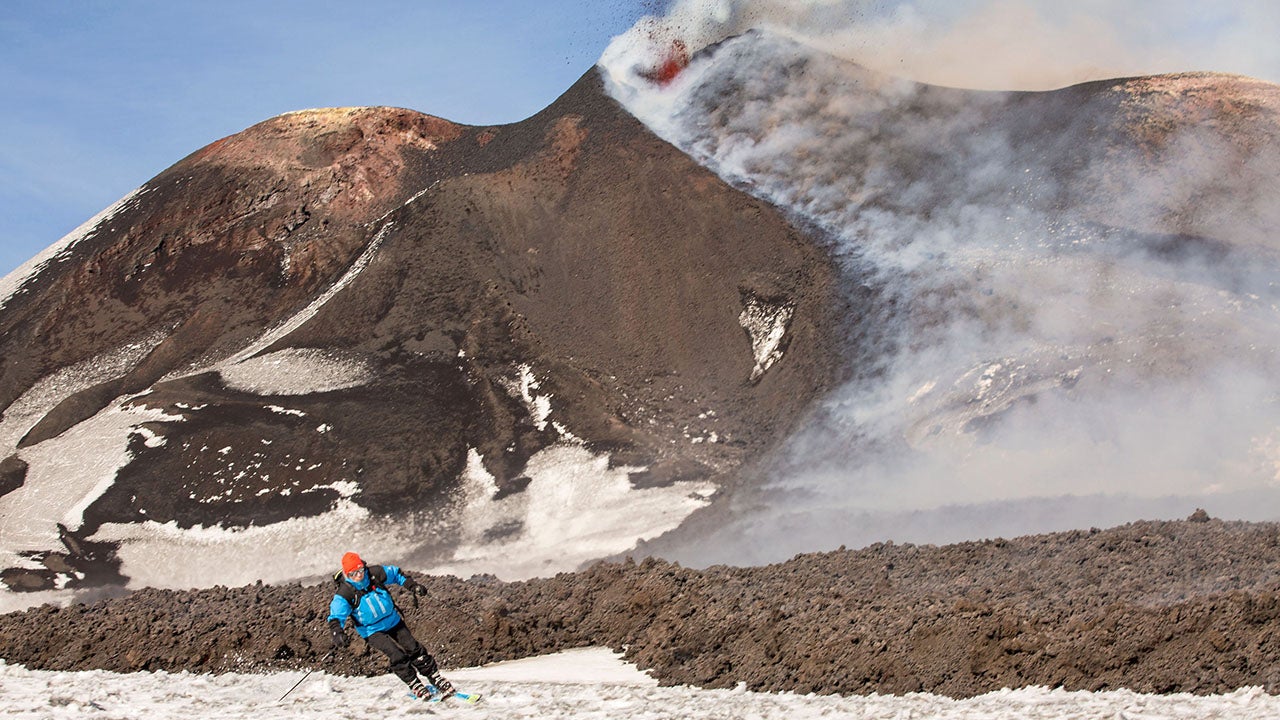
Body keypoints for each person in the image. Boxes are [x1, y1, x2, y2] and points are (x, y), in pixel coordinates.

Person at [327, 551, 456, 700]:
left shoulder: (374, 574)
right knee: (396, 654)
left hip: (393, 620)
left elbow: (396, 574)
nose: (359, 576)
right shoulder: (345, 593)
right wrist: (337, 632)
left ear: (363, 567)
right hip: (372, 631)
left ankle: (436, 678)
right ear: (347, 575)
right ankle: (414, 684)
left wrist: (412, 586)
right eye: (353, 574)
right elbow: (336, 615)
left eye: (360, 571)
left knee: (413, 647)